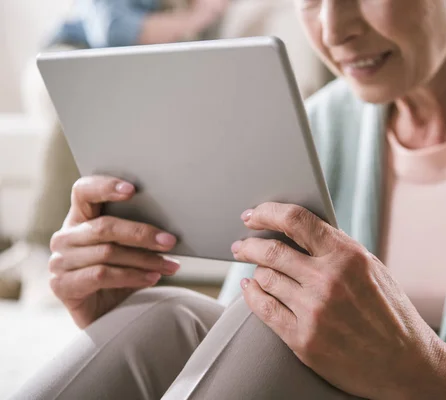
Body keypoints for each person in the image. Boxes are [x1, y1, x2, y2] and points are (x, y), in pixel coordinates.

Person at [14, 0, 446, 398]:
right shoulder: (318, 122)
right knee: (166, 318)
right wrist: (106, 314)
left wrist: (424, 373)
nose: (333, 28)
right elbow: (241, 340)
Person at [0, 0, 331, 304]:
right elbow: (113, 31)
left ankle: (85, 260)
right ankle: (37, 249)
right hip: (83, 52)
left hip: (138, 71)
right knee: (87, 106)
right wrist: (194, 17)